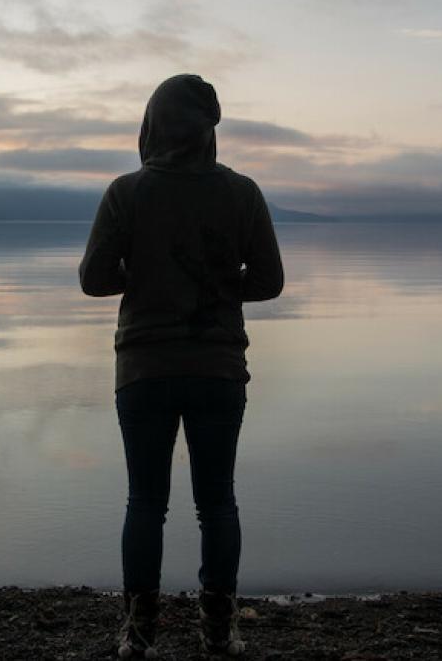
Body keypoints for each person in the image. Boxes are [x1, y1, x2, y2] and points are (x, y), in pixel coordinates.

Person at [79, 73, 284, 658]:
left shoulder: (127, 192)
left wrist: (143, 278)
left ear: (153, 125)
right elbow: (268, 282)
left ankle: (138, 633)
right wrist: (219, 284)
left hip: (144, 369)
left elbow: (94, 279)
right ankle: (219, 629)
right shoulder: (242, 193)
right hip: (218, 369)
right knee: (217, 500)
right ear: (208, 129)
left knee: (145, 501)